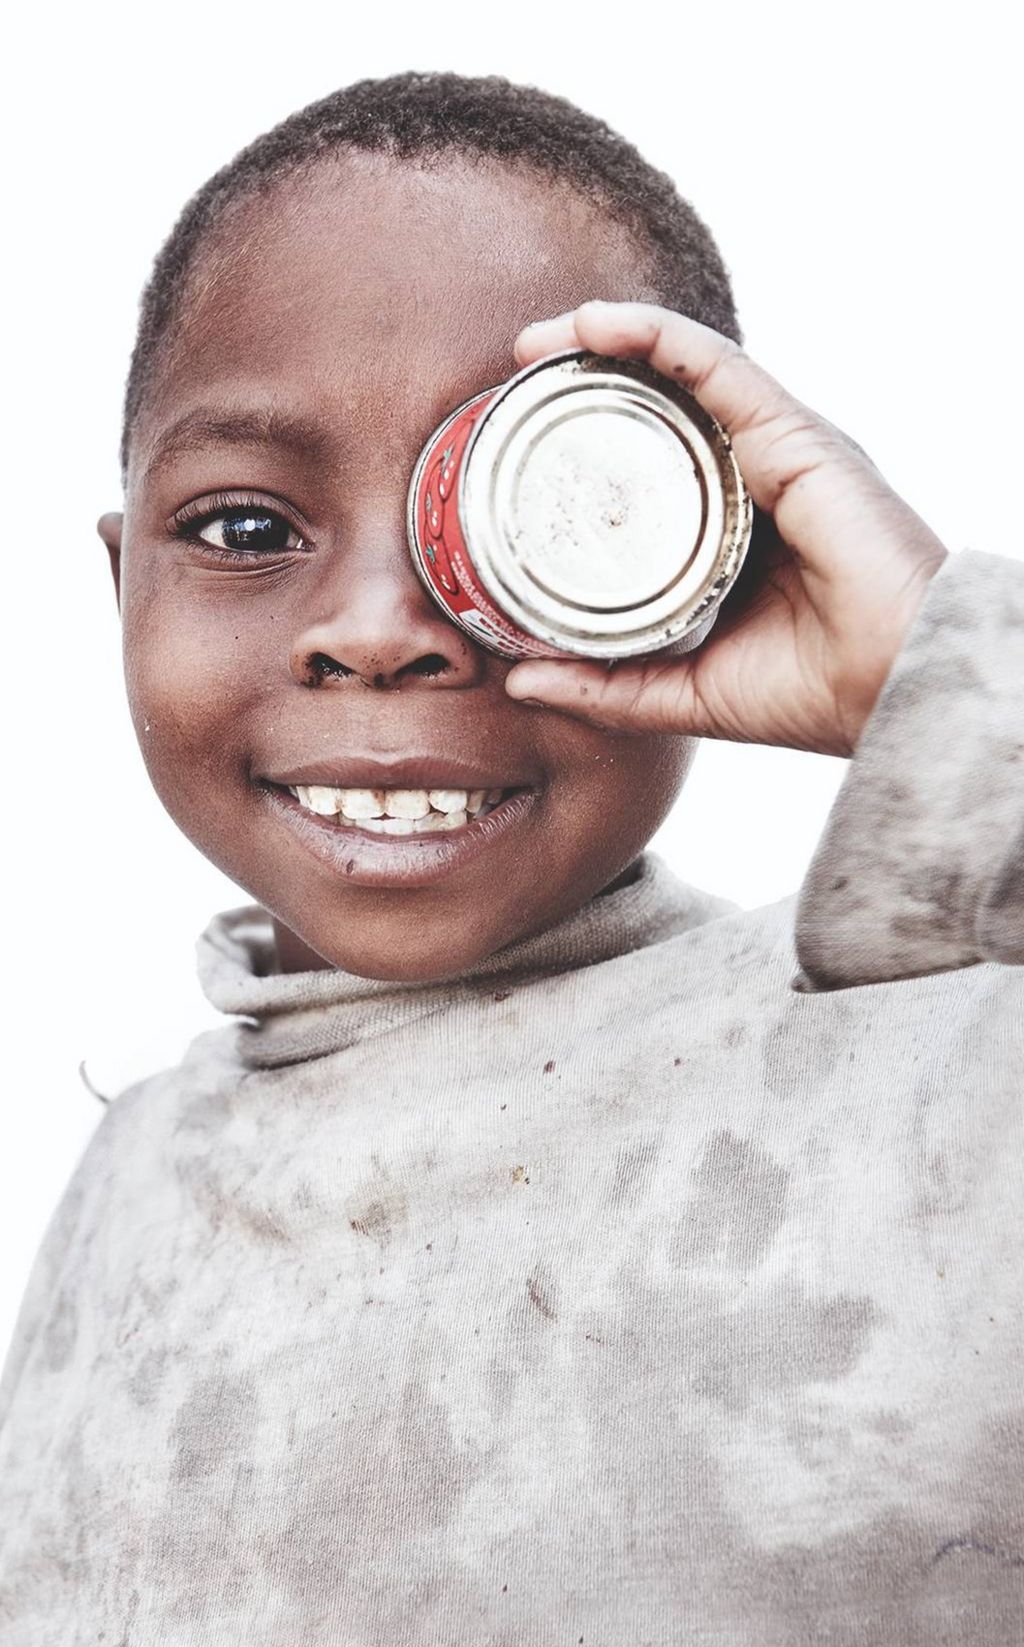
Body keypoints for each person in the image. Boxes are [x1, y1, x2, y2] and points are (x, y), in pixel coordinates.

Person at [0, 70, 1020, 1645]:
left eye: (520, 522)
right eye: (251, 531)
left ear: (705, 568)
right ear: (122, 583)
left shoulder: (942, 1055)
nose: (377, 632)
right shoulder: (128, 1175)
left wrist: (944, 673)